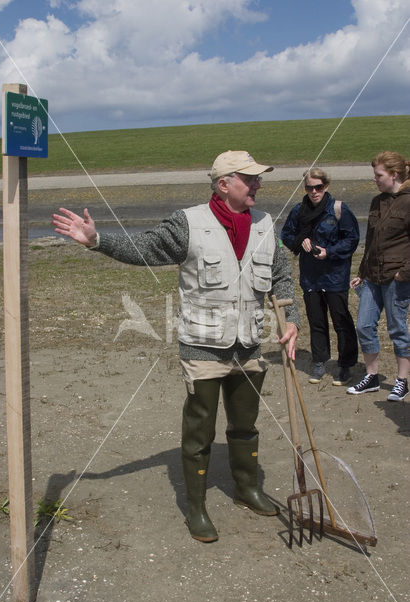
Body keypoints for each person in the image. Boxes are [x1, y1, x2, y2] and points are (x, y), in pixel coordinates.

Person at [52, 150, 300, 543]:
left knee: (245, 426)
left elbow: (283, 278)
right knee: (199, 432)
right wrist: (97, 240)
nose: (258, 184)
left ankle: (247, 489)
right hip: (203, 350)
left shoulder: (266, 224)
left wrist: (292, 323)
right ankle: (197, 508)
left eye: (258, 179)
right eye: (249, 179)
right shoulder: (188, 223)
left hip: (249, 348)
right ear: (223, 184)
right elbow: (145, 249)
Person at [281, 167, 359, 385]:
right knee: (316, 322)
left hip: (335, 276)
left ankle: (346, 365)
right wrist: (300, 241)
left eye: (319, 187)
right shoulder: (298, 210)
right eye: (309, 188)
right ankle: (319, 362)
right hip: (311, 278)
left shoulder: (338, 209)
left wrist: (329, 252)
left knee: (341, 321)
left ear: (326, 186)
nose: (314, 191)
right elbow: (285, 234)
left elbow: (351, 240)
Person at [347, 151, 410, 401]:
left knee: (397, 329)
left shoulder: (408, 201)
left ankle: (402, 381)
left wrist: (403, 273)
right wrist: (361, 272)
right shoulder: (377, 201)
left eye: (378, 175)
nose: (374, 179)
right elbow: (370, 241)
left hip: (397, 279)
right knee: (363, 325)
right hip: (372, 276)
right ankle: (372, 377)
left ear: (394, 175)